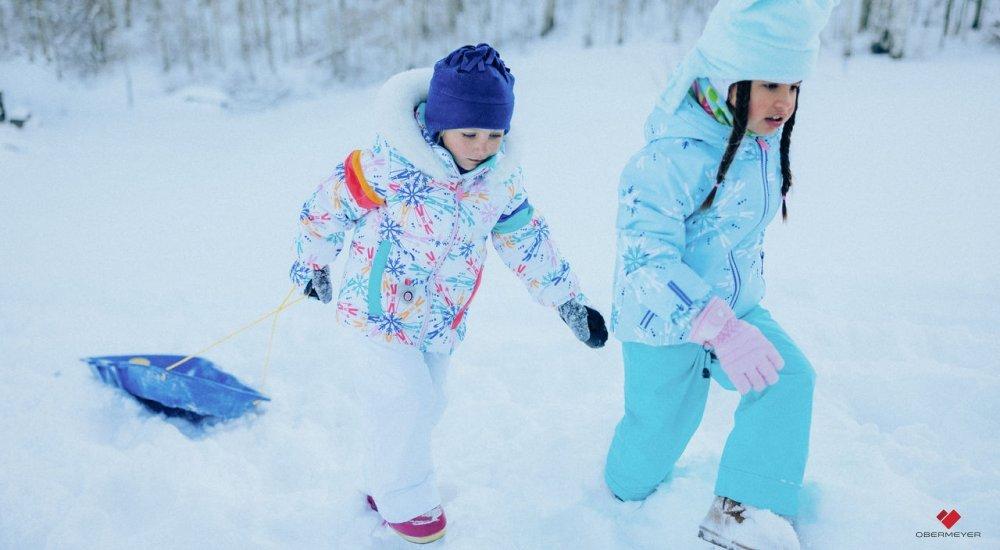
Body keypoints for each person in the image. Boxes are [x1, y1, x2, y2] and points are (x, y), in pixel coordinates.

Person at [290, 43, 607, 544]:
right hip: (380, 311)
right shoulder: (387, 166)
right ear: (438, 124)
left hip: (440, 318)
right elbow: (324, 210)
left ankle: (383, 479)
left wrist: (567, 301)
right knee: (405, 400)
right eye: (470, 133)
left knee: (428, 402)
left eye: (495, 133)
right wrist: (311, 263)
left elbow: (527, 239)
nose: (482, 144)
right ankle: (406, 502)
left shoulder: (499, 181)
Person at [604, 1, 836, 548]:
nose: (785, 102)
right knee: (648, 455)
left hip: (738, 309)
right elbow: (646, 262)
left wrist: (735, 321)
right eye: (772, 83)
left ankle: (746, 513)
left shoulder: (757, 141)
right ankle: (618, 490)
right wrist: (717, 327)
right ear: (730, 79)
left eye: (795, 86)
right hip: (664, 325)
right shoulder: (668, 159)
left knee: (789, 379)